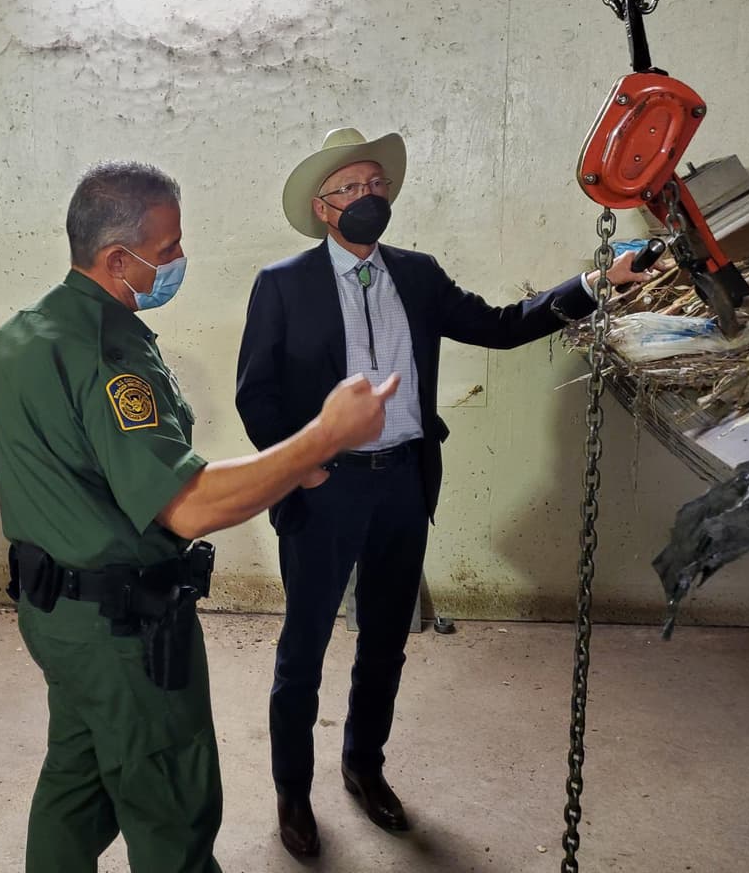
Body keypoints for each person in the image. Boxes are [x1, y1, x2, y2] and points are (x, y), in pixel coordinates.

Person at [234, 127, 655, 857]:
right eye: (351, 188)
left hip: (401, 480)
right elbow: (256, 394)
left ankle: (364, 769)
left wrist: (594, 285)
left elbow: (498, 326)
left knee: (386, 641)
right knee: (302, 650)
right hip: (323, 488)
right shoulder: (282, 283)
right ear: (322, 206)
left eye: (376, 185)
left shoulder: (418, 274)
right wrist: (295, 466)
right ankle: (293, 794)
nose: (369, 196)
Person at [0, 161, 400, 873]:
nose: (178, 262)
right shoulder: (108, 354)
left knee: (78, 788)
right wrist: (323, 436)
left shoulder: (23, 335)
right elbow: (190, 504)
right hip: (123, 631)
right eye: (168, 250)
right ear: (118, 259)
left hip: (58, 616)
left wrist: (293, 465)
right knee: (173, 803)